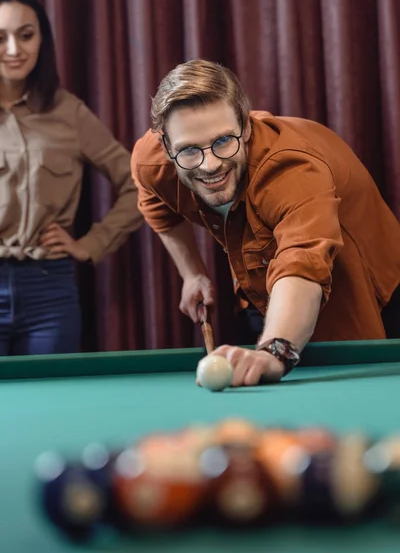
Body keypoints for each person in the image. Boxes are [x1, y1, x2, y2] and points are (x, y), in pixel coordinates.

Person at [131, 59, 400, 386]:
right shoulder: (152, 163)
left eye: (222, 141)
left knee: (351, 393)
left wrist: (275, 352)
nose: (211, 164)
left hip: (360, 282)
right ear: (164, 145)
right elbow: (158, 210)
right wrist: (192, 274)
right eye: (189, 150)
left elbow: (302, 263)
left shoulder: (290, 170)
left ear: (245, 127)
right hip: (261, 280)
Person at [0, 0, 143, 356]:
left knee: (50, 408)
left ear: (42, 40)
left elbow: (139, 185)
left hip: (49, 292)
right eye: (0, 38)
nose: (14, 50)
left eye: (26, 35)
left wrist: (91, 243)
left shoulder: (69, 112)